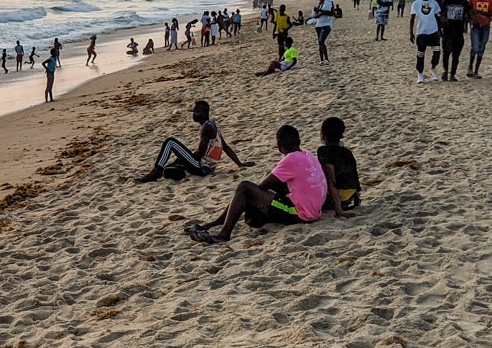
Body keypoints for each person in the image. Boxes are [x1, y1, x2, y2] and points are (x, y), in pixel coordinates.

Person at [185, 124, 342, 243]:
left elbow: (261, 187)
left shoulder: (290, 160)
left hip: (301, 214)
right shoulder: (307, 154)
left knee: (244, 187)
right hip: (314, 210)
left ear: (279, 145)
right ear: (298, 141)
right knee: (257, 191)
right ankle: (215, 223)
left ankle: (223, 233)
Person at [134, 100, 246, 183]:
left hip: (202, 168)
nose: (194, 114)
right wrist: (240, 164)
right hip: (208, 168)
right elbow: (225, 147)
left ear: (205, 113)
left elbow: (199, 154)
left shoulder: (207, 128)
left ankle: (154, 173)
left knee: (170, 142)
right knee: (169, 170)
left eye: (197, 112)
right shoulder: (212, 125)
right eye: (194, 111)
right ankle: (164, 171)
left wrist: (183, 159)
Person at [316, 117, 360, 214]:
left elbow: (331, 179)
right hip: (351, 196)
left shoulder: (323, 151)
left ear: (323, 134)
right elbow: (354, 176)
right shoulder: (347, 152)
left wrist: (339, 211)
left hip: (338, 199)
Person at [409, 0, 443, 83]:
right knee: (420, 54)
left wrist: (440, 31)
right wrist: (411, 33)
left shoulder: (434, 3)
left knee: (437, 52)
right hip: (422, 32)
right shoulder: (416, 4)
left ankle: (433, 69)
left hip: (433, 31)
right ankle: (420, 74)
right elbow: (412, 19)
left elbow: (437, 17)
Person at [439, 0, 470, 82]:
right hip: (448, 31)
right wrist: (443, 21)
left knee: (456, 54)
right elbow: (441, 15)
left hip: (459, 31)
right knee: (446, 53)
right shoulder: (446, 2)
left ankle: (452, 74)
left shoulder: (464, 3)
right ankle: (445, 71)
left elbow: (468, 14)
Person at [466, 0, 492, 79]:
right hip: (475, 25)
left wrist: (479, 12)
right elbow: (467, 9)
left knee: (481, 48)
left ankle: (476, 71)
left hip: (485, 25)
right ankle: (470, 66)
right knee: (475, 47)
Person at [311, 0, 335, 65]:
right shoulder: (320, 5)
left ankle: (327, 59)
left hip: (326, 25)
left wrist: (320, 11)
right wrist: (318, 11)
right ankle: (321, 59)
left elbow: (331, 13)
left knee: (321, 41)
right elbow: (315, 16)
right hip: (319, 25)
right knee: (320, 43)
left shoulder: (329, 4)